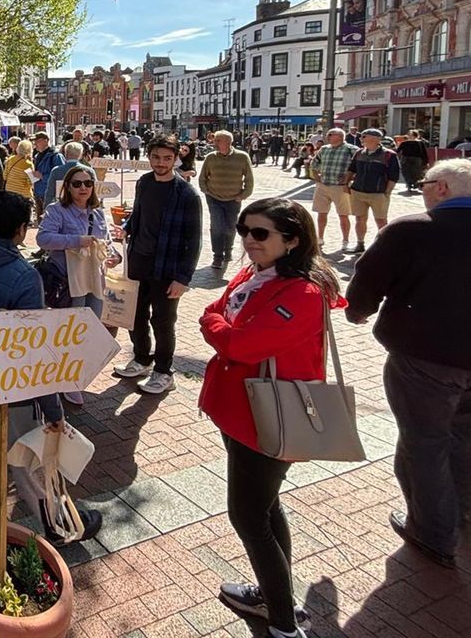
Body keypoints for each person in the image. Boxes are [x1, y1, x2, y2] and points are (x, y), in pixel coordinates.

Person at [346, 159, 471, 567]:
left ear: (444, 189)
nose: (422, 189)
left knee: (425, 441)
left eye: (426, 183)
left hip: (425, 359)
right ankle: (468, 519)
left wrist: (358, 311)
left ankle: (433, 531)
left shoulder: (411, 229)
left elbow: (366, 283)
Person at [200, 198, 340, 638]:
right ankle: (273, 595)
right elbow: (216, 312)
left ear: (293, 240)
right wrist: (219, 324)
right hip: (240, 407)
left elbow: (238, 343)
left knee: (248, 516)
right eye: (244, 229)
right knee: (264, 508)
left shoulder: (303, 292)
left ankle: (282, 620)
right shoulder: (252, 273)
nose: (247, 240)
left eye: (260, 233)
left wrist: (216, 326)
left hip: (270, 413)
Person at [0, 190, 102, 540]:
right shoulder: (24, 276)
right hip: (13, 380)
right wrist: (53, 407)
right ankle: (57, 522)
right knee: (27, 454)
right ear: (21, 230)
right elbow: (34, 349)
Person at [112, 136, 202, 395]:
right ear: (148, 156)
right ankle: (141, 359)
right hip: (138, 262)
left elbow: (193, 240)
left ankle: (164, 371)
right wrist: (127, 229)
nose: (160, 163)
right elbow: (138, 215)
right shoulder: (144, 182)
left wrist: (183, 278)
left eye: (166, 158)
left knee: (162, 321)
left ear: (176, 159)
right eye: (155, 157)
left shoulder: (186, 194)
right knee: (136, 316)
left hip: (167, 268)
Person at [37, 164, 119, 405]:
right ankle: (65, 380)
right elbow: (44, 239)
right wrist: (77, 241)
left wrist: (115, 256)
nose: (83, 188)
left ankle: (73, 377)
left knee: (88, 331)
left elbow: (107, 243)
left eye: (88, 183)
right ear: (68, 187)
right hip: (67, 282)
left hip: (95, 281)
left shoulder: (98, 212)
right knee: (68, 333)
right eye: (77, 183)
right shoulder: (57, 210)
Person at [198, 130, 255, 270]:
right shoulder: (210, 158)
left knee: (230, 227)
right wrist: (206, 191)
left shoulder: (242, 157)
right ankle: (217, 256)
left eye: (218, 140)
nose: (214, 143)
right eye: (215, 140)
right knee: (217, 226)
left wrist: (243, 195)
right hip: (214, 198)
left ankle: (228, 250)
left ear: (228, 143)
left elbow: (249, 179)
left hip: (233, 199)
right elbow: (203, 177)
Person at [342, 128, 400, 254]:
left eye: (363, 136)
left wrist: (387, 192)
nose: (360, 139)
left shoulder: (389, 155)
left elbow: (393, 176)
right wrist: (345, 183)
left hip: (378, 193)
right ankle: (360, 244)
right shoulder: (359, 153)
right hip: (358, 191)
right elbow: (352, 169)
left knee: (381, 220)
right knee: (359, 219)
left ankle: (383, 246)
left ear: (374, 139)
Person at [309, 128, 356, 252]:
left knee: (343, 215)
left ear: (340, 137)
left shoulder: (351, 149)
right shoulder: (324, 149)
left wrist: (348, 178)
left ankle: (345, 241)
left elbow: (358, 167)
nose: (328, 136)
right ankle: (320, 238)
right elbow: (314, 162)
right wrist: (316, 176)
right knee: (321, 213)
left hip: (340, 187)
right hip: (323, 185)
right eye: (328, 134)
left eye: (331, 135)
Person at [43, 141, 88, 206]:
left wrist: (46, 208)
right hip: (82, 206)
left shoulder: (56, 170)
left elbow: (50, 192)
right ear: (80, 155)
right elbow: (95, 191)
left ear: (65, 154)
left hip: (62, 206)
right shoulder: (88, 170)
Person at [30, 132, 60, 219]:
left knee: (50, 220)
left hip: (50, 194)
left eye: (37, 141)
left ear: (46, 141)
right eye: (34, 142)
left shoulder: (55, 156)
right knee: (40, 221)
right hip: (38, 192)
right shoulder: (37, 156)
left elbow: (60, 175)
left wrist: (43, 176)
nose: (35, 144)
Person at [3, 138, 36, 205]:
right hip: (23, 195)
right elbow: (30, 182)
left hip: (9, 191)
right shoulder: (28, 164)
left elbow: (4, 176)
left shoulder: (10, 159)